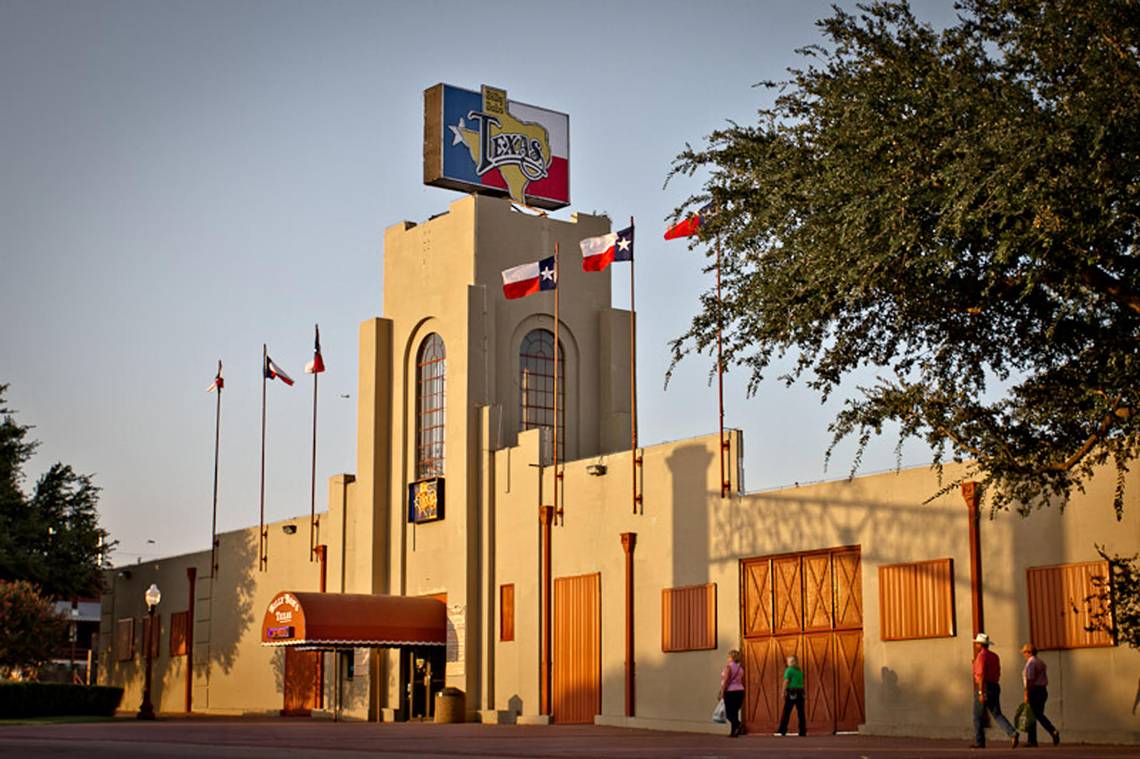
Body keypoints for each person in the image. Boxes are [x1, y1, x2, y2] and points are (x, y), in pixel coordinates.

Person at [972, 632, 1018, 749]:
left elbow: (981, 675)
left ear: (980, 644)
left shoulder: (981, 657)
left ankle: (979, 742)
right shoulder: (994, 656)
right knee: (997, 714)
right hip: (995, 685)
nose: (976, 645)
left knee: (977, 716)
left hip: (984, 686)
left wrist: (981, 692)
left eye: (977, 643)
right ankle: (1012, 732)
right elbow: (997, 671)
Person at [1021, 643, 1060, 747]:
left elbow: (1030, 679)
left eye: (1025, 652)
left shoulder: (1031, 663)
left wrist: (1026, 693)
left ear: (1029, 652)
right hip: (1042, 690)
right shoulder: (1040, 662)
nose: (1024, 654)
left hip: (1034, 690)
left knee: (1032, 715)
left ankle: (1032, 740)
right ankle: (1052, 731)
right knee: (1038, 714)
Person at [718, 649, 746, 737]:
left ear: (731, 657)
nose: (728, 658)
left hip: (730, 692)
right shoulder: (740, 668)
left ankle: (738, 725)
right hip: (740, 691)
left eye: (729, 656)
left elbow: (726, 680)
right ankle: (734, 732)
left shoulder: (728, 667)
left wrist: (722, 692)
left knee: (729, 713)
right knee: (735, 712)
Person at [777, 654, 806, 736]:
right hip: (800, 692)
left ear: (792, 662)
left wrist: (783, 692)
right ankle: (802, 731)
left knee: (787, 711)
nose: (788, 663)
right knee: (801, 712)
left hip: (792, 692)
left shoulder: (789, 670)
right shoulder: (799, 671)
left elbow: (786, 681)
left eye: (789, 661)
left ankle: (782, 730)